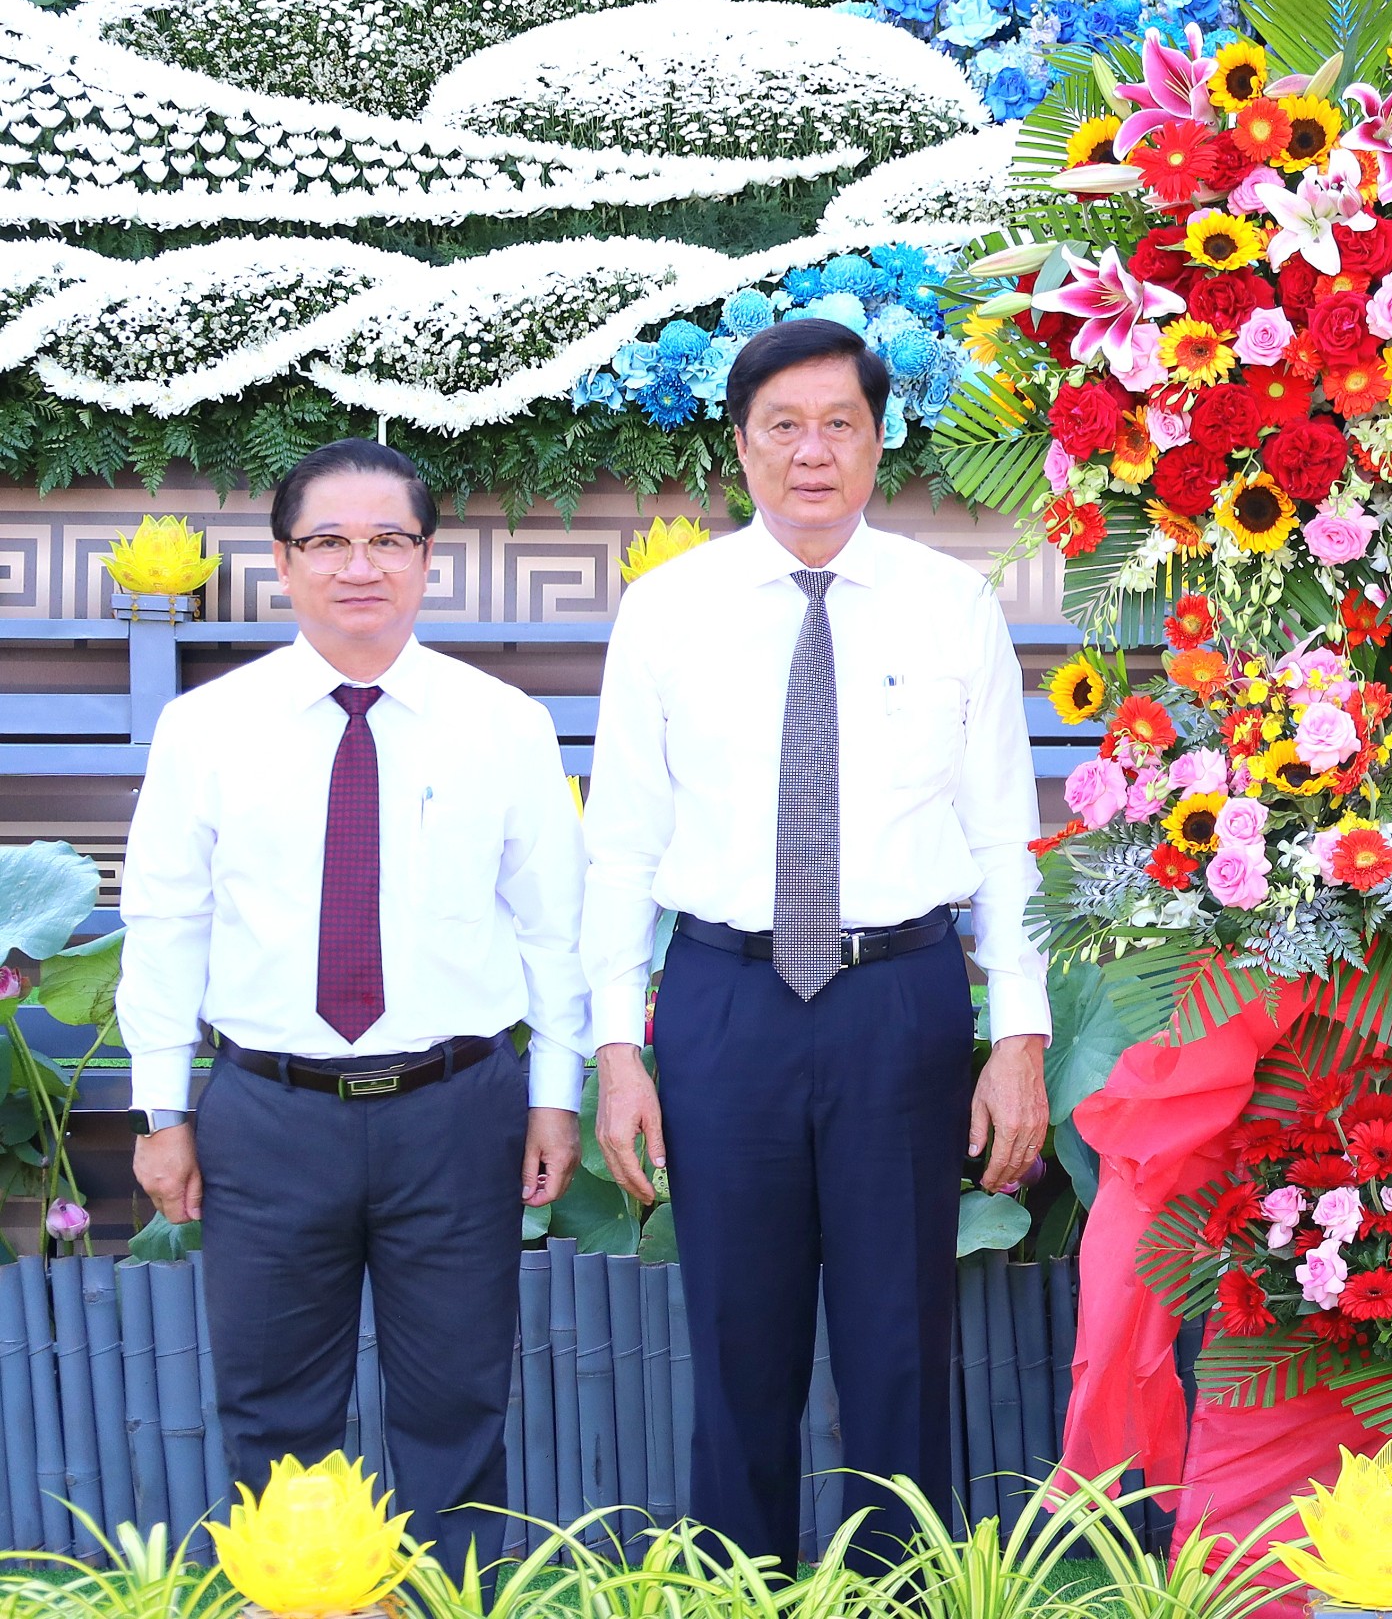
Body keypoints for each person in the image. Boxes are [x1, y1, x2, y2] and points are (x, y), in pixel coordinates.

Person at [582, 317, 1050, 1573]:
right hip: (724, 998)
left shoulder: (950, 605)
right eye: (782, 425)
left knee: (901, 1341)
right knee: (739, 1338)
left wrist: (1018, 1036)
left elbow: (1007, 836)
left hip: (896, 998)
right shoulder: (666, 609)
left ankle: (903, 1592)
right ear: (739, 444)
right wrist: (618, 1047)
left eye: (840, 422)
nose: (811, 451)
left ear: (880, 439)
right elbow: (620, 844)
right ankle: (739, 1591)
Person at [118, 439, 587, 1569]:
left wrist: (556, 1094)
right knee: (274, 1418)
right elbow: (167, 921)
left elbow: (550, 925)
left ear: (429, 561)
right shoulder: (206, 727)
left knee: (459, 1408)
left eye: (389, 540)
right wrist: (160, 1109)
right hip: (269, 1113)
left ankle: (454, 1596)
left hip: (455, 1104)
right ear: (283, 560)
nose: (358, 565)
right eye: (327, 540)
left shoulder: (502, 724)